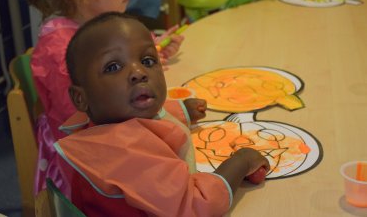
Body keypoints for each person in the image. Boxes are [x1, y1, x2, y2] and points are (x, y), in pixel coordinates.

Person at [54, 11, 270, 216]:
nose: (139, 73)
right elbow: (194, 206)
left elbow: (143, 119)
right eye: (113, 67)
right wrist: (241, 163)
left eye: (147, 61)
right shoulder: (128, 155)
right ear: (80, 98)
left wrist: (182, 110)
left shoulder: (104, 118)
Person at [24, 0, 183, 198]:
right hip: (91, 166)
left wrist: (152, 52)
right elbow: (93, 122)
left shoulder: (93, 27)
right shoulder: (58, 50)